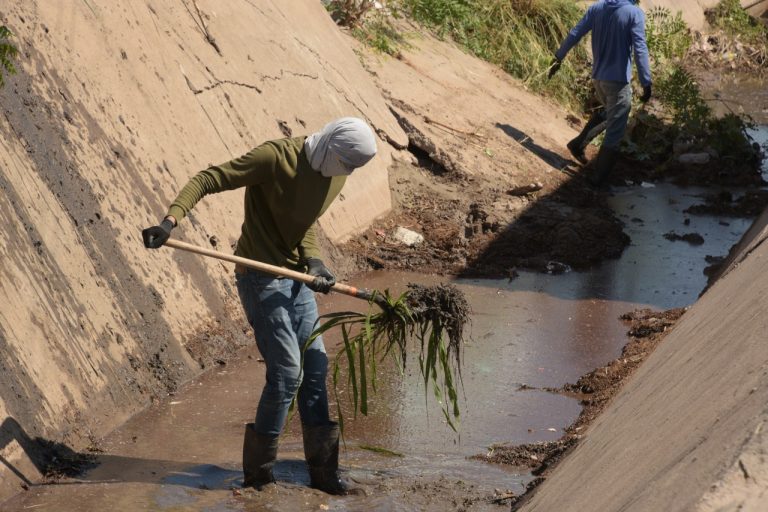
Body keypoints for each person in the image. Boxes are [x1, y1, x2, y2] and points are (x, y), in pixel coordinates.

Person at [141, 117, 377, 495]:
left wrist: (314, 261)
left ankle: (323, 474)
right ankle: (259, 478)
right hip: (260, 277)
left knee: (315, 367)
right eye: (345, 162)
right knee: (287, 373)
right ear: (331, 145)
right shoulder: (275, 158)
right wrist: (169, 222)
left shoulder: (337, 172)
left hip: (297, 278)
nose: (347, 172)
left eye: (353, 167)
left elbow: (305, 220)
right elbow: (208, 178)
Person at [549, 0, 652, 186]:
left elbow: (575, 33)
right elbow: (640, 48)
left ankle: (578, 145)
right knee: (615, 132)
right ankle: (598, 181)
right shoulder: (633, 13)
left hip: (598, 79)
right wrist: (646, 82)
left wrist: (558, 57)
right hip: (617, 82)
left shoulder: (597, 8)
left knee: (610, 112)